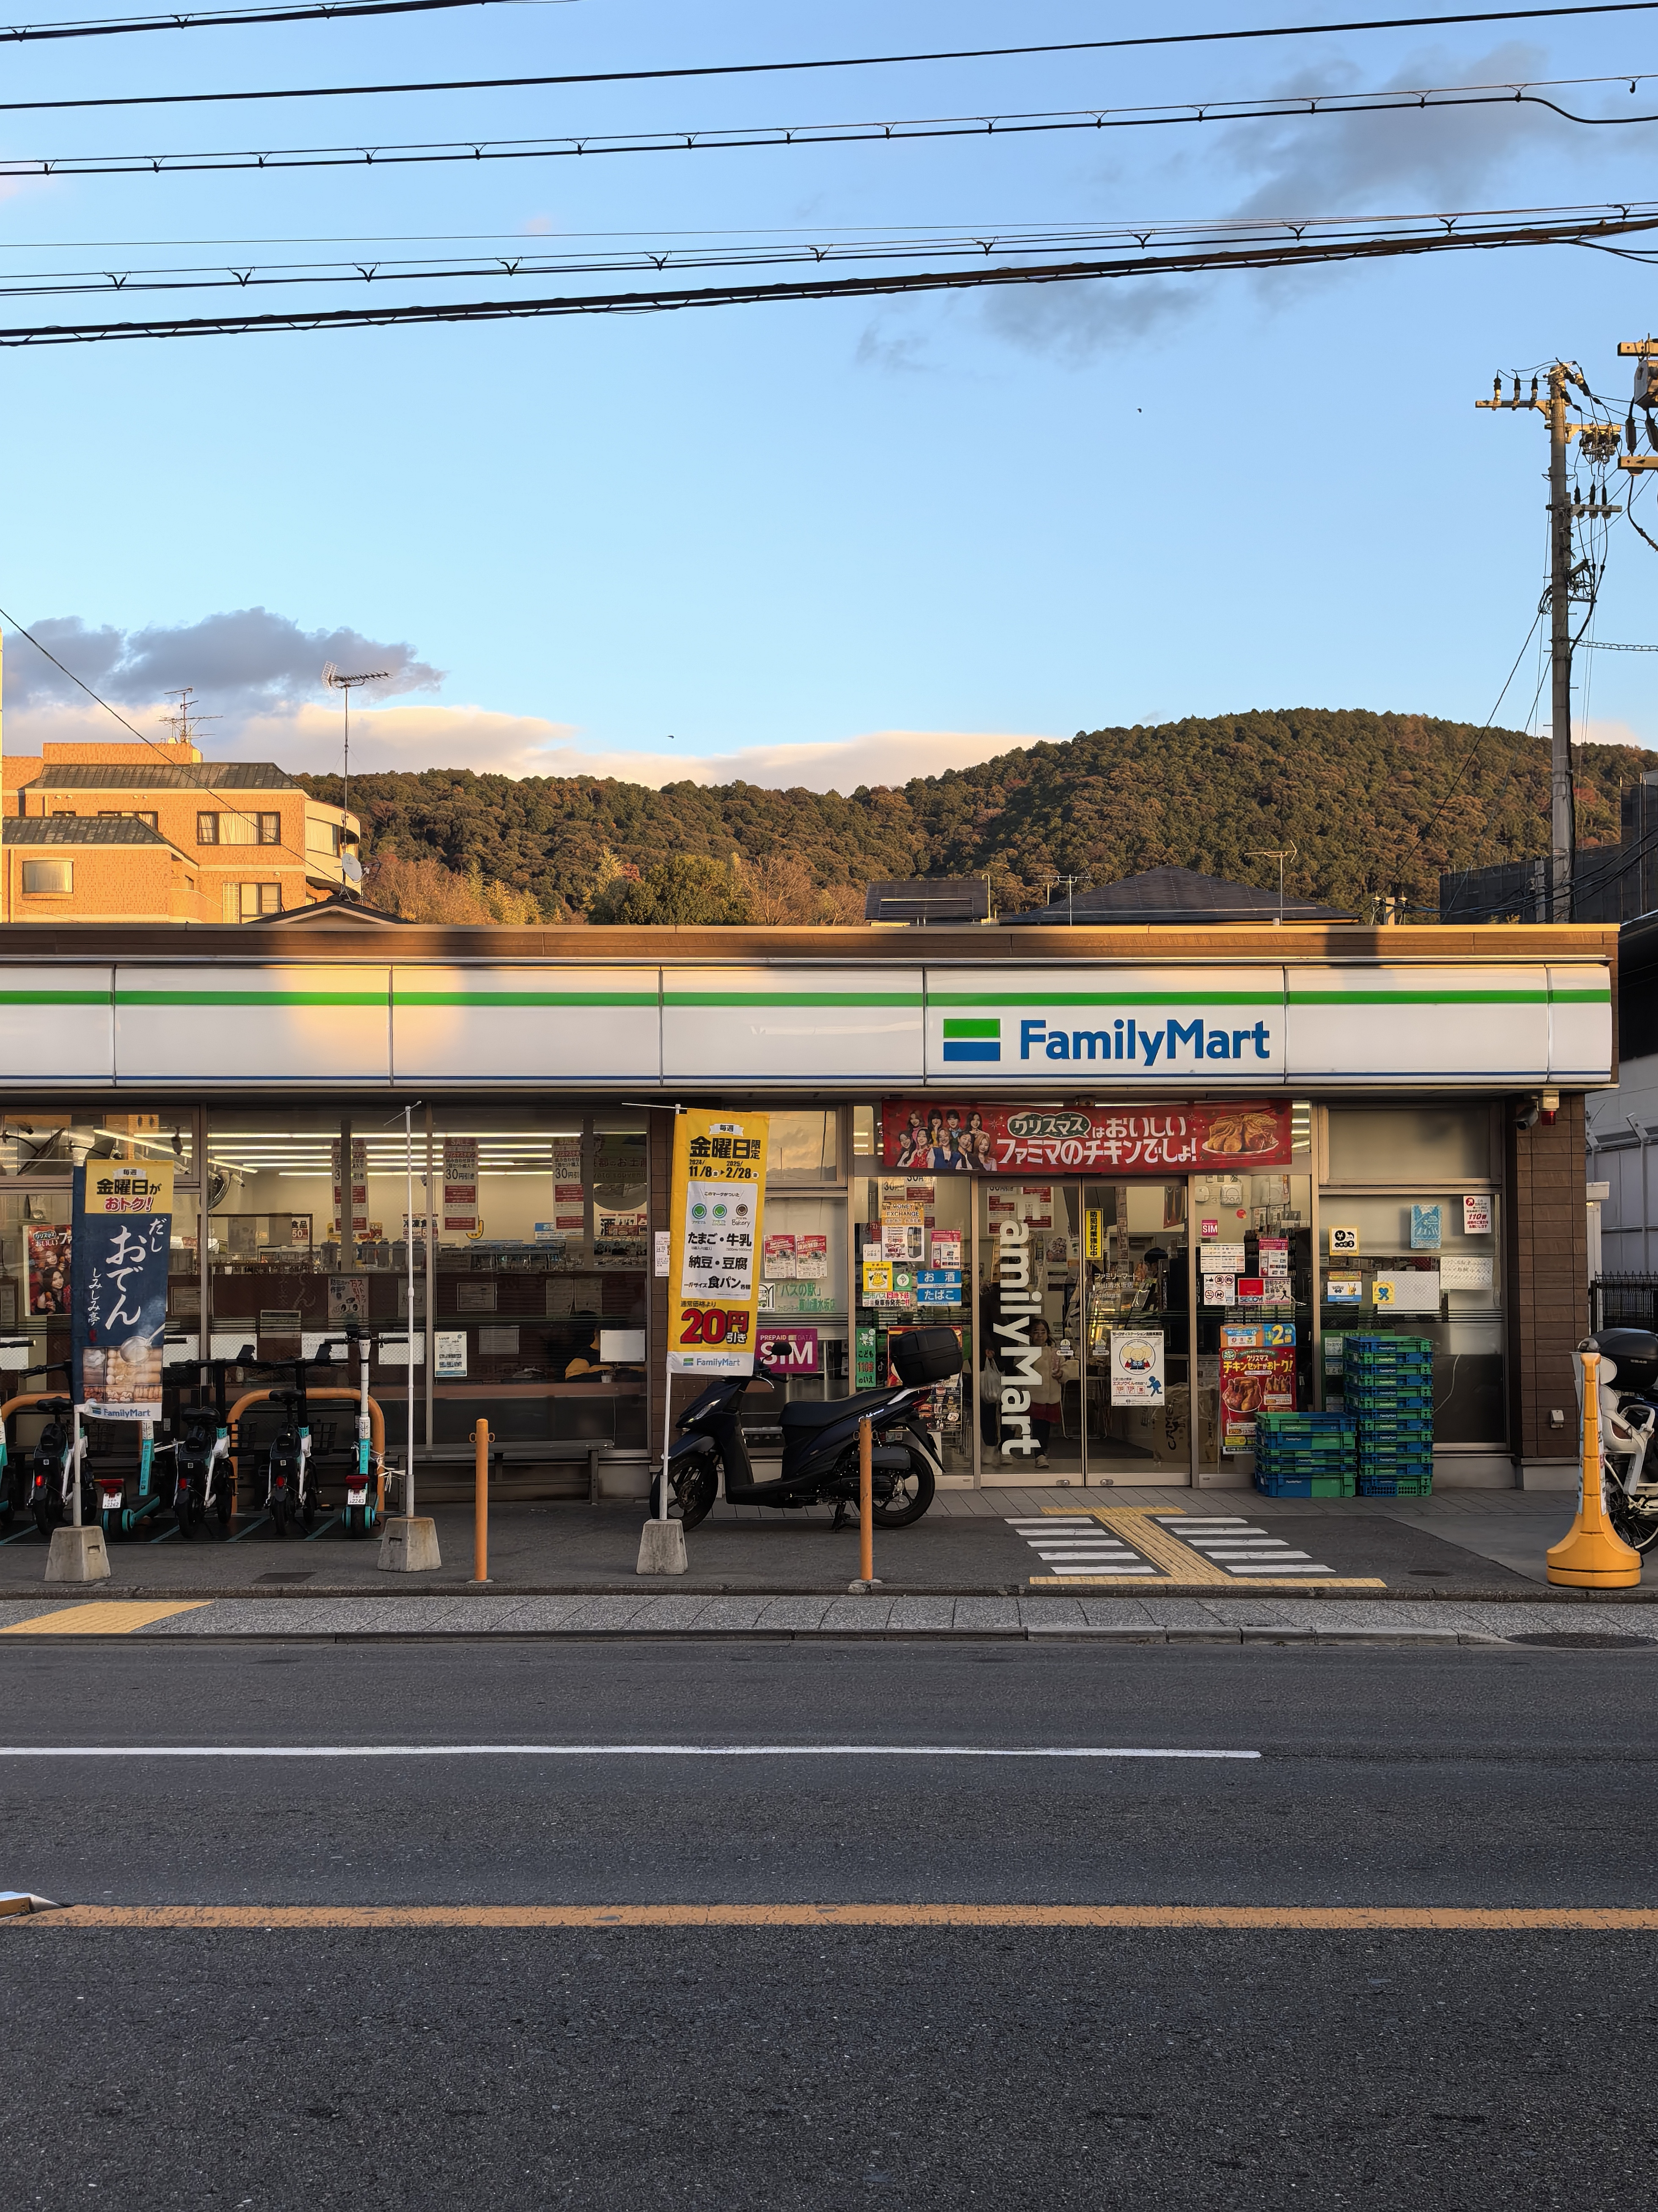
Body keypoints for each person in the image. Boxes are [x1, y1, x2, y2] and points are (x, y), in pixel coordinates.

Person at [1027, 1317, 1064, 1469]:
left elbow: (1066, 1366)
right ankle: (1040, 1454)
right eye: (1036, 1332)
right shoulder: (1025, 1351)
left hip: (1051, 1395)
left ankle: (1042, 1452)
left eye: (1043, 1332)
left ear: (1048, 1334)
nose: (1040, 1335)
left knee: (1045, 1425)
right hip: (1032, 1395)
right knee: (1037, 1425)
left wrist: (1062, 1373)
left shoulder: (1054, 1352)